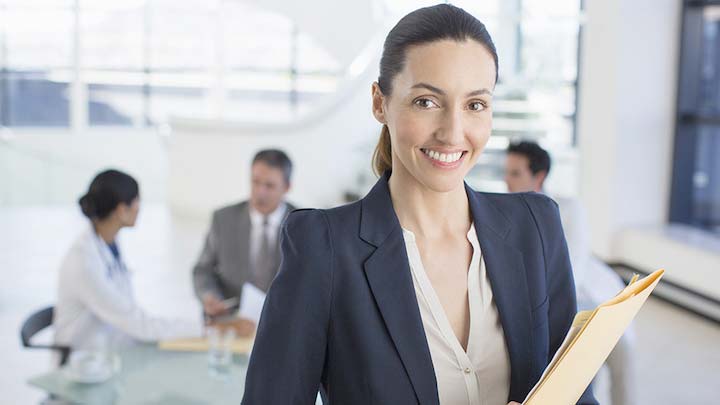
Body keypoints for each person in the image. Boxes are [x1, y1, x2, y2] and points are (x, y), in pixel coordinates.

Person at [242, 5, 597, 405]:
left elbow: (575, 392)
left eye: (475, 104)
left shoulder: (537, 226)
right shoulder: (322, 248)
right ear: (380, 103)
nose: (452, 133)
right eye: (427, 101)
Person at [505, 140, 635, 405]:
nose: (507, 181)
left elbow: (571, 270)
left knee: (623, 358)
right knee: (581, 373)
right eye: (506, 172)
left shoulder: (568, 209)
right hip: (551, 305)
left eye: (515, 173)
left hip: (595, 297)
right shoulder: (505, 214)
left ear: (538, 176)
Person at [53, 169, 205, 352]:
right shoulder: (84, 262)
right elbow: (137, 324)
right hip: (82, 364)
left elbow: (128, 314)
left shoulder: (108, 243)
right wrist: (206, 328)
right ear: (121, 210)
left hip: (110, 348)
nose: (140, 207)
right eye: (137, 201)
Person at [192, 149, 296, 319]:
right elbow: (203, 270)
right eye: (255, 182)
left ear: (287, 187)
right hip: (233, 320)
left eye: (269, 186)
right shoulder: (223, 219)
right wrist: (209, 296)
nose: (260, 192)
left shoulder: (306, 224)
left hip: (286, 320)